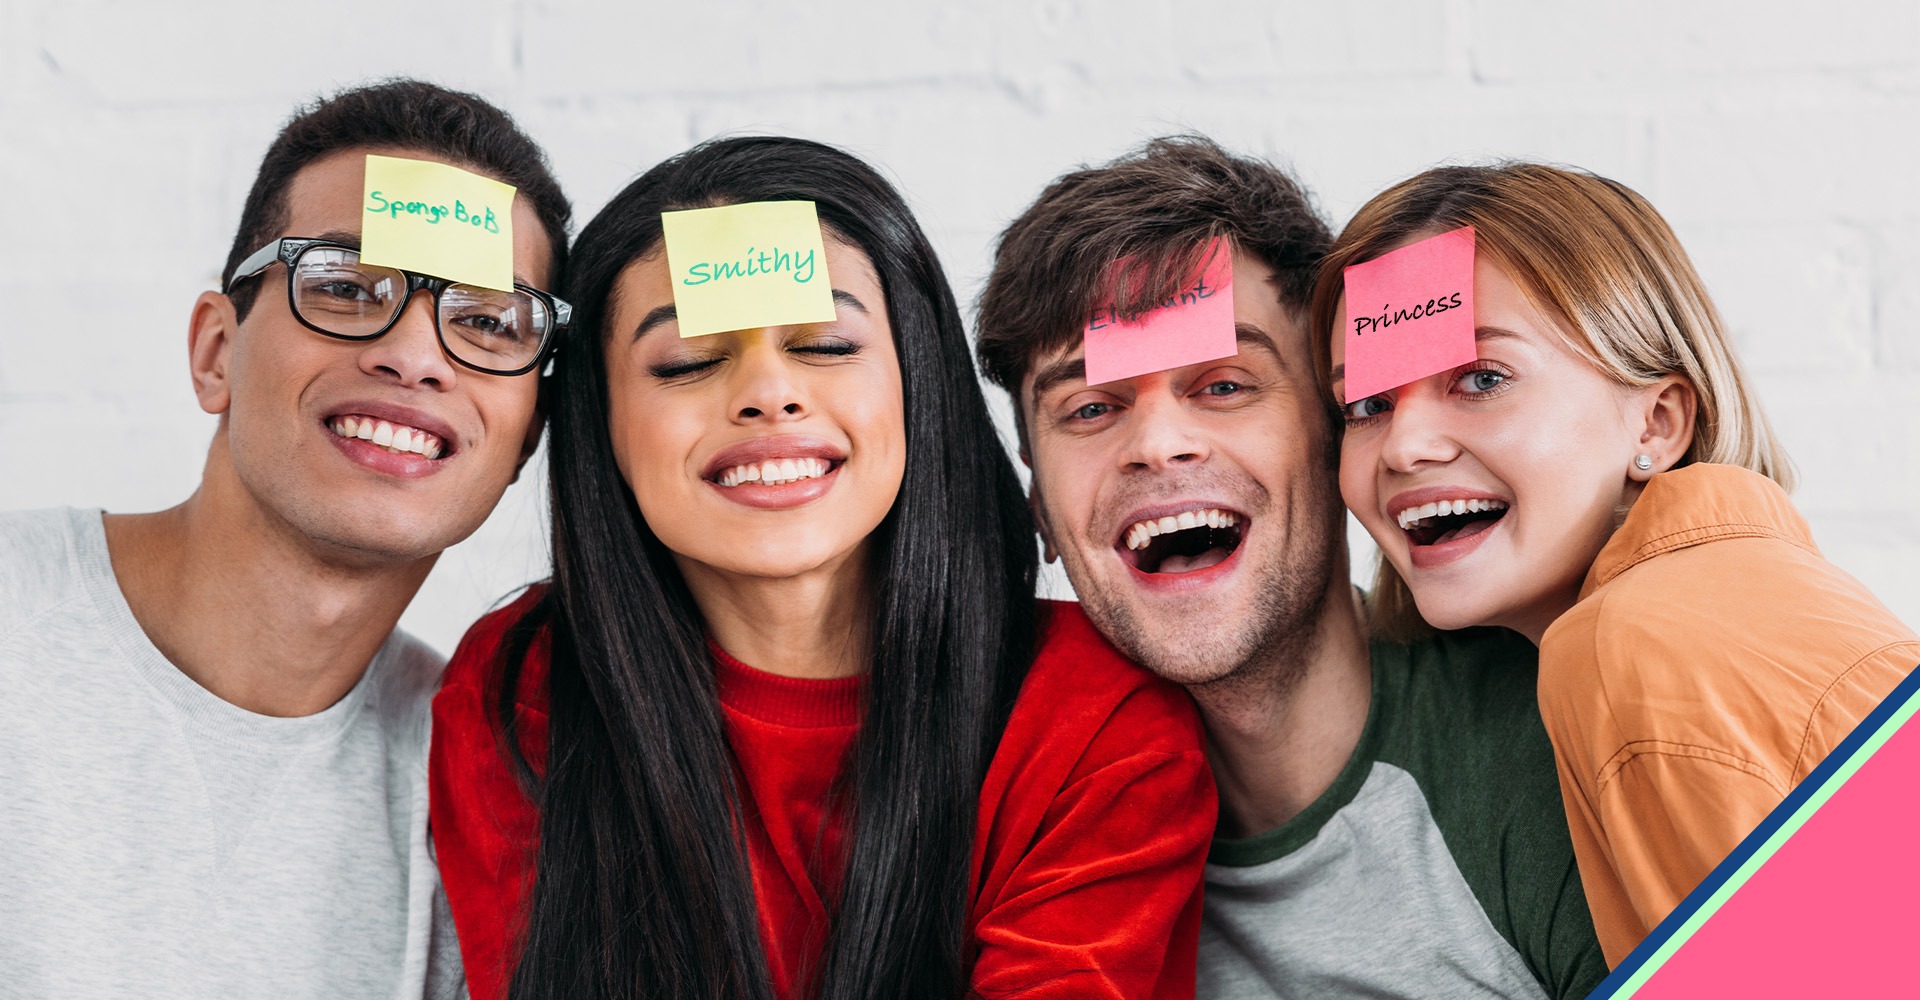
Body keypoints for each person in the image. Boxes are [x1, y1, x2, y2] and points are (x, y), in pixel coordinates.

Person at [428, 135, 1215, 1000]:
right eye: (689, 361)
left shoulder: (1099, 723)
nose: (769, 392)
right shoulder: (517, 693)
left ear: (920, 381)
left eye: (829, 347)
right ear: (599, 422)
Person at [975, 136, 1609, 998]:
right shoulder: (1009, 820)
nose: (1158, 445)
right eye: (1091, 407)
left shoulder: (1550, 749)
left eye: (1225, 385)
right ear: (1041, 510)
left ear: (1336, 438)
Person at [0, 79, 572, 998]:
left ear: (529, 436)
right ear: (215, 353)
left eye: (485, 323)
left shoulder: (482, 784)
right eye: (345, 287)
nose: (416, 356)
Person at [1317, 163, 1920, 965]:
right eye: (1366, 405)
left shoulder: (1628, 642)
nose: (1403, 445)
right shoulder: (1744, 595)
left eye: (1481, 379)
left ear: (1658, 423)